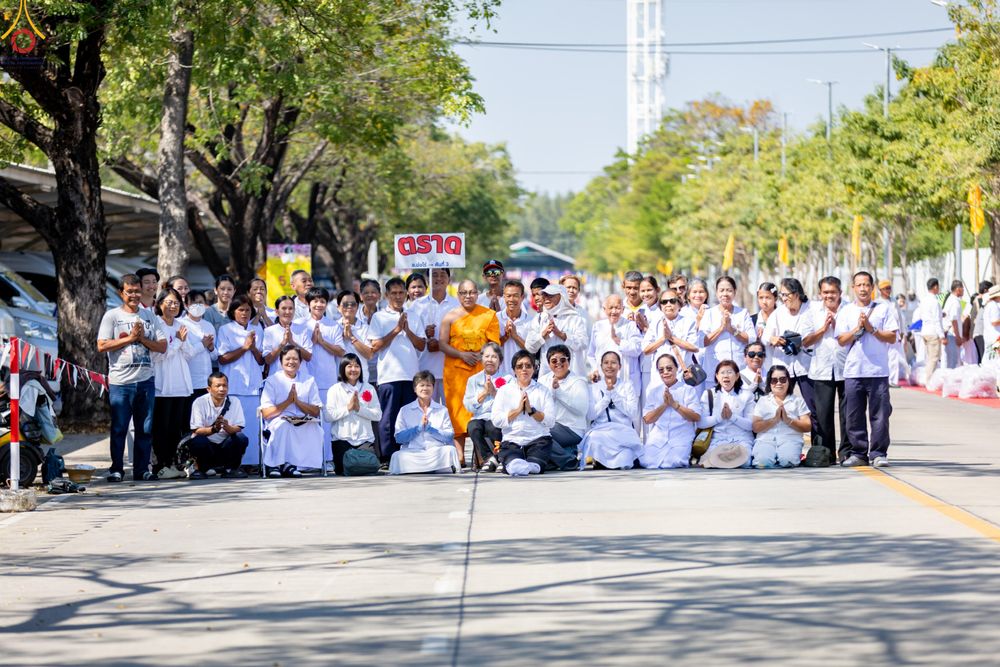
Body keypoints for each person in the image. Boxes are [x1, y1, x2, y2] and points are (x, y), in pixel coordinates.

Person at [97, 274, 167, 482]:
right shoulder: (112, 316)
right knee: (119, 427)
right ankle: (116, 469)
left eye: (137, 291)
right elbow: (102, 345)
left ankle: (141, 469)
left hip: (145, 381)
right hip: (121, 382)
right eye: (130, 292)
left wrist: (142, 338)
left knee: (144, 429)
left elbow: (162, 346)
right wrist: (130, 338)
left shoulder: (149, 317)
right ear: (121, 293)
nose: (135, 295)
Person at [836, 271, 899, 468]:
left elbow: (892, 337)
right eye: (859, 285)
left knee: (880, 415)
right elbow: (841, 340)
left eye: (866, 285)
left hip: (877, 371)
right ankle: (858, 453)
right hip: (854, 371)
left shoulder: (885, 309)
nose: (863, 288)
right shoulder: (845, 311)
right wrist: (857, 329)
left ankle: (879, 453)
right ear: (853, 288)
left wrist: (871, 328)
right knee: (853, 415)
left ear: (872, 288)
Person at [439, 280, 501, 465]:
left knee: (480, 412)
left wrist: (481, 356)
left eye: (472, 292)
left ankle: (481, 455)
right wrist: (461, 354)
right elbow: (442, 344)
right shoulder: (449, 316)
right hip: (455, 372)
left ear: (477, 294)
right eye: (464, 293)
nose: (468, 296)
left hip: (481, 371)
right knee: (457, 414)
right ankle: (460, 456)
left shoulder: (488, 315)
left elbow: (494, 344)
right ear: (458, 295)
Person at [369, 277, 426, 463]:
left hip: (411, 375)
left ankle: (408, 452)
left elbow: (421, 345)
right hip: (388, 376)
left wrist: (407, 329)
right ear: (386, 295)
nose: (398, 297)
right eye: (394, 293)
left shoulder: (414, 315)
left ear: (406, 294)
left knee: (409, 415)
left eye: (401, 293)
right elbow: (375, 345)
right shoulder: (379, 317)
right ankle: (387, 456)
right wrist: (395, 330)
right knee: (388, 417)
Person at [150, 288, 196, 479]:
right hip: (162, 386)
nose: (173, 306)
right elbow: (158, 355)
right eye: (169, 302)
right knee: (162, 427)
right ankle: (161, 464)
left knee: (176, 427)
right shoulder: (156, 324)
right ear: (160, 304)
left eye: (176, 302)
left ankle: (175, 463)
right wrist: (177, 342)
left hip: (181, 384)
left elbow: (189, 354)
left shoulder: (181, 325)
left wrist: (182, 342)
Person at [216, 294, 266, 466]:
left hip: (254, 387)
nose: (244, 313)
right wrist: (244, 348)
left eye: (247, 310)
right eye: (240, 310)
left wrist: (252, 349)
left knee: (253, 427)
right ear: (233, 312)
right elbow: (222, 358)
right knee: (234, 426)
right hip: (235, 386)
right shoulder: (225, 330)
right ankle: (233, 463)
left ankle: (252, 463)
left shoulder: (257, 329)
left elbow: (262, 360)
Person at [260, 345, 323, 477]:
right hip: (278, 419)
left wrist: (298, 402)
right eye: (288, 358)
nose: (291, 362)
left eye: (295, 359)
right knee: (283, 426)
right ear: (281, 361)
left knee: (315, 429)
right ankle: (275, 464)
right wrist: (288, 402)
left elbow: (316, 410)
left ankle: (297, 464)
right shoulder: (273, 380)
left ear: (300, 362)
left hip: (302, 419)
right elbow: (266, 413)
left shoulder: (309, 380)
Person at [490, 350, 555, 477]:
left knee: (534, 467)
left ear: (534, 368)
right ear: (514, 370)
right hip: (512, 441)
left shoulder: (543, 391)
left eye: (528, 366)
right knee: (517, 464)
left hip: (538, 440)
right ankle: (517, 465)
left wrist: (531, 411)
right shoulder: (504, 391)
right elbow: (496, 420)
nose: (524, 369)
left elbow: (551, 421)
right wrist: (518, 410)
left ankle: (522, 466)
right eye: (520, 366)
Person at [579, 350, 643, 470]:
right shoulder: (593, 388)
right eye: (606, 362)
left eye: (613, 363)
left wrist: (615, 395)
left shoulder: (627, 386)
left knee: (625, 460)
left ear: (620, 366)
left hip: (623, 430)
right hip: (601, 430)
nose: (609, 366)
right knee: (594, 438)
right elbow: (591, 415)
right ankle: (599, 460)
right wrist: (606, 397)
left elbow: (633, 412)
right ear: (601, 366)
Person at [763, 278, 815, 415]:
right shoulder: (778, 313)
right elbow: (765, 338)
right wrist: (772, 339)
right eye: (782, 295)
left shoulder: (811, 310)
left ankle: (817, 436)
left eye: (786, 294)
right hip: (783, 365)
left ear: (797, 294)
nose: (783, 298)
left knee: (813, 407)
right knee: (781, 405)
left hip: (806, 366)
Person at [390, 371, 460, 474]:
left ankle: (421, 469)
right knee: (397, 456)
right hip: (414, 452)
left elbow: (449, 436)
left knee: (450, 450)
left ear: (433, 388)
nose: (425, 388)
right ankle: (433, 468)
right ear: (415, 388)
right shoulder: (405, 410)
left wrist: (430, 430)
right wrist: (417, 429)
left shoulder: (442, 409)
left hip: (435, 451)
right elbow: (399, 438)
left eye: (428, 385)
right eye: (421, 385)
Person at [300, 287, 345, 449]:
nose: (319, 304)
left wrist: (322, 342)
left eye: (322, 301)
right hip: (305, 379)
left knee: (326, 421)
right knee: (306, 421)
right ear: (308, 303)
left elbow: (341, 351)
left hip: (327, 380)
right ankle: (306, 460)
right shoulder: (300, 324)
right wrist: (312, 341)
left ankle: (327, 458)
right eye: (315, 301)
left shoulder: (333, 325)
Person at [640, 352, 701, 469]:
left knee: (674, 462)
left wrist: (674, 404)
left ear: (676, 369)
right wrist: (664, 405)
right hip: (659, 437)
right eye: (661, 370)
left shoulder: (688, 390)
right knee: (646, 462)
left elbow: (696, 417)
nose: (665, 372)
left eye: (669, 368)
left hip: (681, 436)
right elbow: (647, 419)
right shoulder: (654, 391)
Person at [324, 354, 382, 475]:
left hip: (364, 441)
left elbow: (378, 415)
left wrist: (359, 409)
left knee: (368, 467)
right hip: (342, 440)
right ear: (342, 369)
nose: (353, 369)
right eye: (349, 366)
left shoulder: (369, 388)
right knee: (344, 469)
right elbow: (328, 416)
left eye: (356, 366)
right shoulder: (335, 389)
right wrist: (348, 408)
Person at [186, 372, 249, 479]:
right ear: (209, 389)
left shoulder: (235, 401)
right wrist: (214, 429)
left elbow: (239, 427)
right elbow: (197, 430)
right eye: (218, 386)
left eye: (224, 386)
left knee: (240, 438)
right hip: (208, 446)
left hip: (225, 445)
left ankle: (230, 469)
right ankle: (201, 469)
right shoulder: (199, 402)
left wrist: (227, 427)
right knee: (198, 440)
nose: (222, 389)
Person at [696, 360, 755, 469]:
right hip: (718, 438)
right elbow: (701, 423)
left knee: (745, 461)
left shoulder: (747, 395)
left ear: (737, 376)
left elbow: (751, 425)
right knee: (710, 459)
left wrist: (733, 417)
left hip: (741, 438)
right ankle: (724, 460)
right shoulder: (709, 394)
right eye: (722, 373)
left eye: (729, 372)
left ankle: (722, 460)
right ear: (717, 376)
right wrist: (719, 418)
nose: (726, 376)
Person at [412, 268, 459, 402]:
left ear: (449, 280)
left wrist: (441, 345)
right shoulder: (417, 305)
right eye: (434, 275)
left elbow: (462, 336)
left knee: (449, 416)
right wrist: (425, 335)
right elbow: (411, 334)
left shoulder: (457, 305)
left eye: (442, 275)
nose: (438, 278)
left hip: (450, 370)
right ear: (427, 280)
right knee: (426, 413)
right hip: (424, 369)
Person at [539, 345, 589, 471]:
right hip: (550, 426)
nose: (559, 364)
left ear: (569, 361)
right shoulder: (542, 380)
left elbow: (581, 409)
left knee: (540, 435)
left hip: (572, 428)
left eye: (563, 360)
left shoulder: (578, 381)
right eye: (554, 361)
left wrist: (558, 392)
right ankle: (565, 454)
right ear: (549, 363)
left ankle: (569, 462)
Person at [751, 365, 811, 468]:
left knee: (787, 461)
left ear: (788, 381)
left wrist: (789, 421)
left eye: (783, 379)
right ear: (770, 383)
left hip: (790, 439)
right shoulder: (763, 401)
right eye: (774, 380)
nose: (779, 383)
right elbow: (755, 427)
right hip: (766, 440)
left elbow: (807, 426)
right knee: (762, 462)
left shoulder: (797, 401)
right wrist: (774, 420)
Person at [462, 342, 510, 472]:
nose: (490, 360)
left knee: (492, 426)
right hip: (480, 416)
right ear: (481, 358)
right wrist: (483, 393)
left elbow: (510, 403)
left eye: (494, 357)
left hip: (498, 416)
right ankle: (489, 458)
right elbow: (468, 405)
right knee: (473, 427)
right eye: (487, 356)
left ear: (500, 361)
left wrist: (494, 392)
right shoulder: (473, 380)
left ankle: (501, 457)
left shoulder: (507, 379)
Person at [525, 284, 588, 378]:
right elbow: (529, 346)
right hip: (546, 376)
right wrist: (543, 335)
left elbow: (583, 343)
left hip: (571, 376)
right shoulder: (539, 318)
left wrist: (562, 335)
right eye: (545, 295)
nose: (546, 299)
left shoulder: (574, 318)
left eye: (550, 295)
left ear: (561, 297)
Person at [587, 295, 642, 401]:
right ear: (604, 309)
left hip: (625, 380)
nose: (614, 311)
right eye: (611, 307)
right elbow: (591, 354)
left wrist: (618, 341)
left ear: (623, 309)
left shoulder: (630, 326)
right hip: (603, 379)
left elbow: (638, 349)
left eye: (617, 308)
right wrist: (595, 369)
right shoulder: (598, 326)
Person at [699, 276, 754, 381]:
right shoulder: (709, 313)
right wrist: (721, 328)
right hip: (714, 371)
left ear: (735, 292)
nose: (725, 294)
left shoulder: (743, 313)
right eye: (722, 290)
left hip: (739, 370)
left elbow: (751, 339)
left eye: (729, 290)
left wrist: (732, 330)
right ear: (716, 293)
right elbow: (702, 342)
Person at [642, 288, 699, 389]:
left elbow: (694, 347)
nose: (668, 304)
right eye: (664, 302)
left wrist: (672, 338)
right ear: (660, 306)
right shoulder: (655, 323)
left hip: (682, 376)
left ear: (679, 304)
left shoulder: (689, 322)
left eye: (672, 301)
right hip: (659, 378)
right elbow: (646, 350)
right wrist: (663, 338)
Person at [262, 295, 313, 378]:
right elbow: (268, 360)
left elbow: (308, 357)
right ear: (277, 311)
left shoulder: (303, 329)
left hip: (300, 379)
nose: (288, 312)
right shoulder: (269, 331)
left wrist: (292, 342)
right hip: (277, 379)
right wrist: (282, 344)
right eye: (284, 308)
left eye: (290, 308)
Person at [180, 291, 216, 402]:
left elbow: (215, 356)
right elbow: (185, 355)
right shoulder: (181, 324)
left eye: (200, 302)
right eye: (194, 303)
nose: (197, 306)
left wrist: (211, 348)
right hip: (189, 382)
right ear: (186, 306)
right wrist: (202, 345)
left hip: (207, 383)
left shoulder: (208, 325)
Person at [335, 289, 374, 384]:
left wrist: (351, 336)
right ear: (338, 308)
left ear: (357, 307)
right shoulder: (333, 327)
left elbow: (369, 354)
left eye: (353, 304)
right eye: (345, 304)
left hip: (361, 379)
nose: (349, 307)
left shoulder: (365, 327)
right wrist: (342, 335)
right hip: (339, 378)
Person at [497, 279, 532, 377]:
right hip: (500, 375)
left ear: (522, 297)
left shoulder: (531, 320)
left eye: (516, 296)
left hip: (523, 376)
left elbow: (532, 350)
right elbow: (491, 348)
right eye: (508, 296)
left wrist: (515, 336)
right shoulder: (495, 318)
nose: (511, 299)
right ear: (504, 297)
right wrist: (505, 337)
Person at [916, 278, 946, 385]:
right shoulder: (935, 302)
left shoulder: (924, 300)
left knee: (929, 358)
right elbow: (936, 320)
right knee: (934, 359)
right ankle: (928, 381)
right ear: (935, 287)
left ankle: (929, 379)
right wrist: (942, 336)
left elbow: (922, 316)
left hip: (925, 331)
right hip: (933, 332)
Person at [942, 279, 966, 369]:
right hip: (952, 335)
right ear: (958, 289)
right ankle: (950, 382)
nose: (963, 291)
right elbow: (953, 320)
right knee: (953, 362)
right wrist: (958, 337)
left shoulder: (951, 300)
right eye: (962, 289)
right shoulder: (955, 302)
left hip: (950, 334)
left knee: (950, 361)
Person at [621, 270, 650, 336]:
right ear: (623, 287)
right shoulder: (618, 309)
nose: (632, 292)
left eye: (636, 288)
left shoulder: (651, 308)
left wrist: (645, 328)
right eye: (629, 288)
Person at [982, 284, 1000, 359]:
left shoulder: (989, 305)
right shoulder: (994, 306)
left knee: (990, 357)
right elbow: (994, 322)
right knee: (994, 359)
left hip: (990, 336)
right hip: (994, 337)